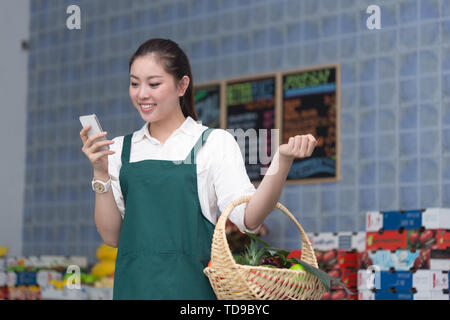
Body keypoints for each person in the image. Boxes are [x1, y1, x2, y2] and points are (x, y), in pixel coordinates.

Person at [80, 38, 317, 300]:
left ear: (182, 85)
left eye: (154, 84)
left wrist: (280, 163)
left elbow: (250, 219)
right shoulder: (120, 150)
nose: (141, 94)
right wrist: (100, 172)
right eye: (134, 83)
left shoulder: (213, 143)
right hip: (133, 291)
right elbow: (112, 236)